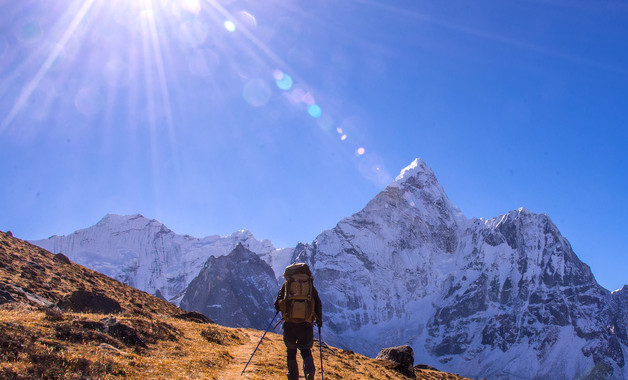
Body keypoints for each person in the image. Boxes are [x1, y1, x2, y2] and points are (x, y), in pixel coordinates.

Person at [274, 263, 323, 380]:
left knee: (291, 351)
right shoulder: (310, 286)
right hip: (306, 324)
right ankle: (309, 372)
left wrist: (281, 309)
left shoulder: (287, 285)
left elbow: (277, 304)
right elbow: (318, 303)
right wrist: (319, 320)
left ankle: (292, 376)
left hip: (290, 323)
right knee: (305, 350)